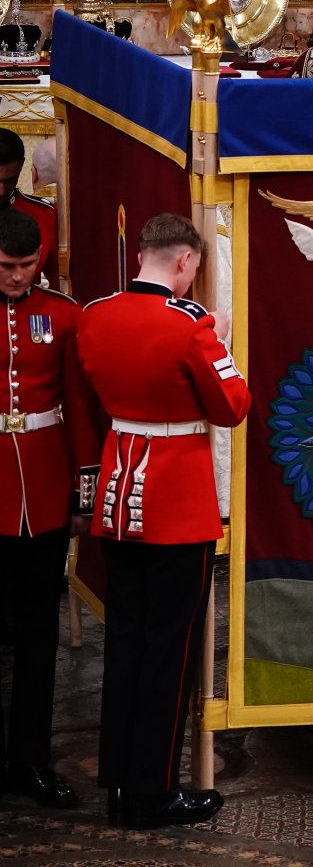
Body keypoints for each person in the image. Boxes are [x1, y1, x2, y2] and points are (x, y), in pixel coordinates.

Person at [76, 214, 251, 828]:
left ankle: (120, 780)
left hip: (119, 486)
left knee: (124, 639)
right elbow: (232, 407)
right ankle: (151, 792)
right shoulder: (192, 326)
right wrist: (220, 341)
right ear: (183, 262)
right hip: (175, 497)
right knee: (170, 650)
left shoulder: (94, 314)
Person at [0, 210, 99, 810]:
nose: (16, 278)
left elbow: (80, 411)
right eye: (6, 267)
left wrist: (83, 496)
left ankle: (30, 761)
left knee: (39, 637)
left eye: (26, 266)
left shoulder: (64, 315)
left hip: (41, 489)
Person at [0, 127, 57, 286]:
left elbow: (61, 282)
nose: (2, 190)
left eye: (9, 180)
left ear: (22, 165)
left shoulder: (44, 215)